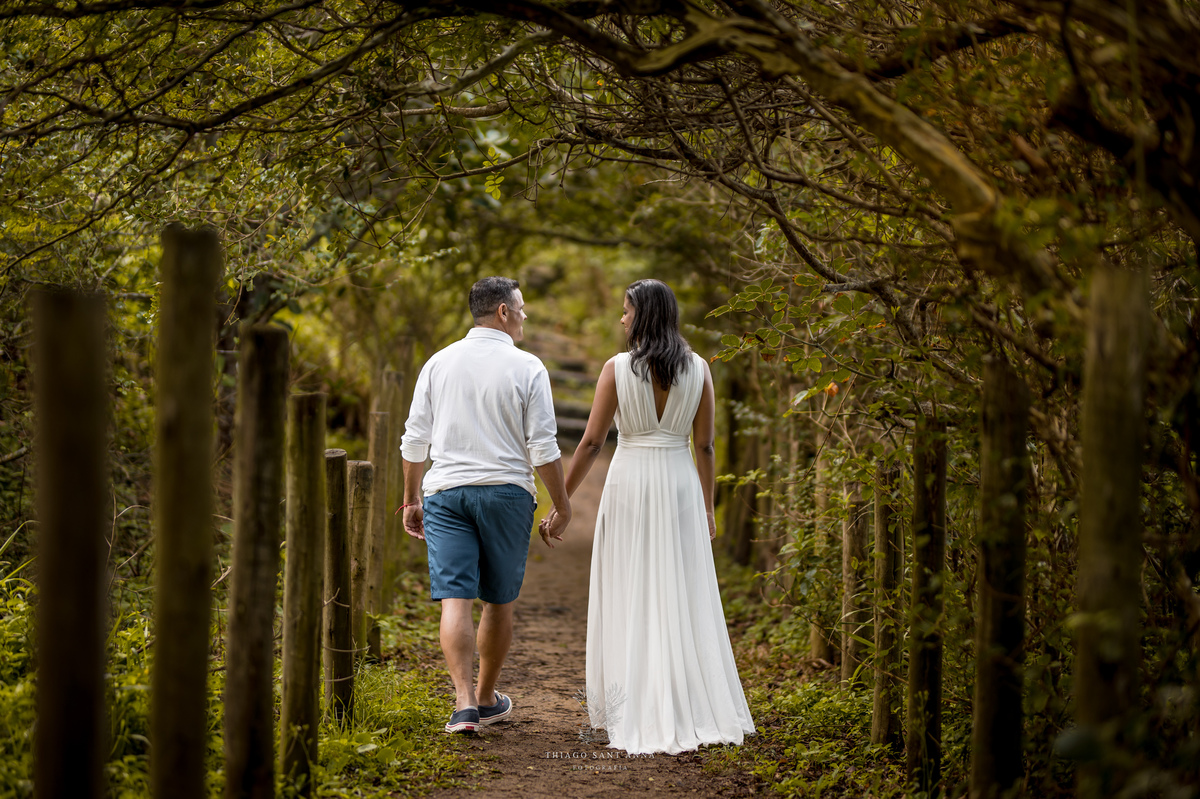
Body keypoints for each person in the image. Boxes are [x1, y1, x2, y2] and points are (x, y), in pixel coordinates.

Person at [540, 278, 755, 754]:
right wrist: (707, 507)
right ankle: (685, 701)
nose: (621, 318)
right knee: (681, 588)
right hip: (679, 484)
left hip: (631, 484)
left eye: (626, 310)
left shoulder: (617, 369)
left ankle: (634, 699)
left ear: (643, 315)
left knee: (630, 585)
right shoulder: (700, 369)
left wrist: (562, 503)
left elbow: (591, 443)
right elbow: (704, 445)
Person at [400, 276, 572, 734]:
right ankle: (486, 697)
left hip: (446, 494)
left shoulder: (438, 363)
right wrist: (562, 505)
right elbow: (542, 446)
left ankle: (463, 707)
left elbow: (414, 440)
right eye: (521, 308)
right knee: (497, 599)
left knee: (455, 598)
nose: (524, 316)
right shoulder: (528, 367)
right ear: (503, 311)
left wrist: (411, 499)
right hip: (507, 495)